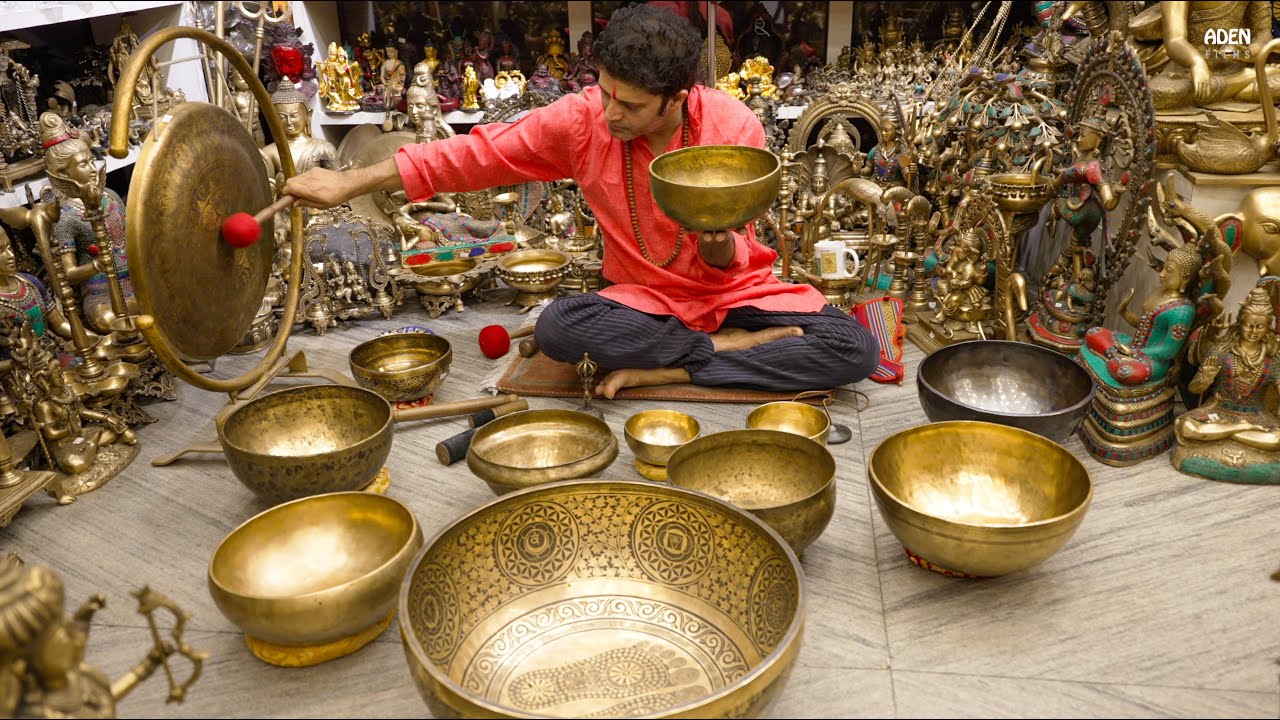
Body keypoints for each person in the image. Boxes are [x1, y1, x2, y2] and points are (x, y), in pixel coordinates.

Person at [283, 5, 878, 397]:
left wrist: (720, 241)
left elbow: (729, 262)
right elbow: (472, 155)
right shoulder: (582, 119)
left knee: (853, 349)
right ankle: (718, 353)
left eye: (631, 105)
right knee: (562, 326)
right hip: (644, 304)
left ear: (677, 98)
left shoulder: (732, 125)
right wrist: (346, 183)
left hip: (738, 295)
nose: (610, 112)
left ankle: (674, 366)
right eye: (605, 92)